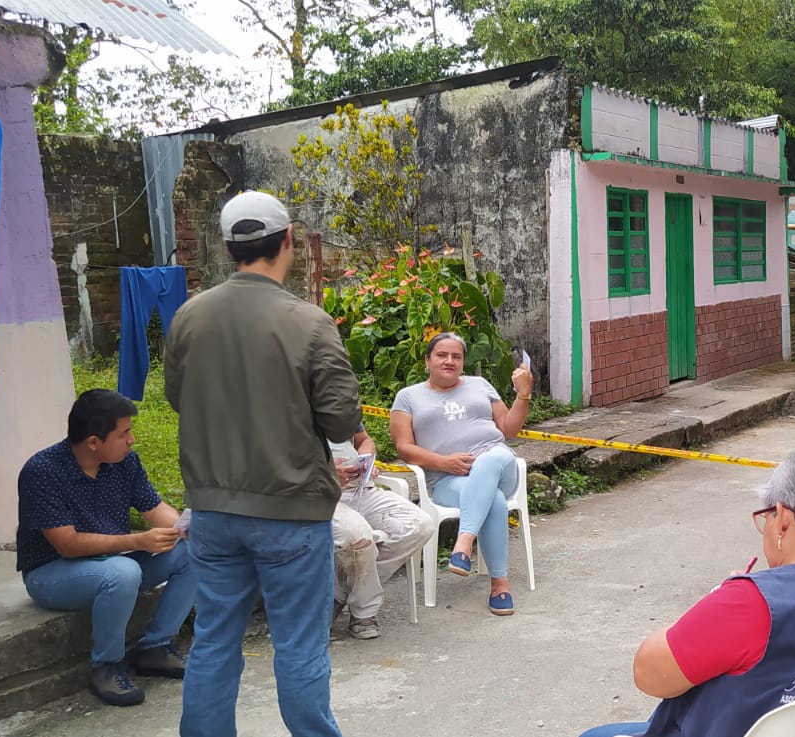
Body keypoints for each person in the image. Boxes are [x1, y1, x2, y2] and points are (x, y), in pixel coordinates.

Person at [167, 190, 361, 737]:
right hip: (290, 510)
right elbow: (342, 424)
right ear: (289, 242)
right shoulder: (308, 321)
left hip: (211, 509)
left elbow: (179, 397)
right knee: (299, 645)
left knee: (214, 639)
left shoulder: (189, 315)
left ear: (229, 248)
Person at [579, 451, 795, 737]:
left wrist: (718, 601)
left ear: (782, 520)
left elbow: (650, 675)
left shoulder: (750, 603)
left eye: (765, 518)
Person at [16, 389, 196, 707]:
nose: (132, 440)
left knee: (196, 550)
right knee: (123, 572)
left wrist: (188, 528)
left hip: (110, 560)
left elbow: (155, 511)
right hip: (51, 573)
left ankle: (155, 648)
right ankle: (106, 666)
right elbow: (67, 544)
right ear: (93, 442)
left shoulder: (124, 463)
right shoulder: (42, 471)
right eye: (124, 433)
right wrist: (137, 541)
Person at [389, 332, 532, 615]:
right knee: (493, 502)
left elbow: (509, 429)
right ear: (427, 360)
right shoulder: (407, 397)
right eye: (442, 355)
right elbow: (404, 448)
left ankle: (464, 541)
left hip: (498, 465)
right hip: (446, 481)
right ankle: (500, 586)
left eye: (456, 356)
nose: (449, 361)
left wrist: (523, 394)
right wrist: (442, 463)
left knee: (490, 460)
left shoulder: (479, 385)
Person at [330, 424, 432, 639]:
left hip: (361, 488)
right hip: (322, 493)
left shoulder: (339, 402)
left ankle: (339, 593)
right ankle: (364, 612)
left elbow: (364, 439)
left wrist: (366, 459)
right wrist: (325, 474)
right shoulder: (290, 408)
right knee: (358, 538)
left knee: (420, 525)